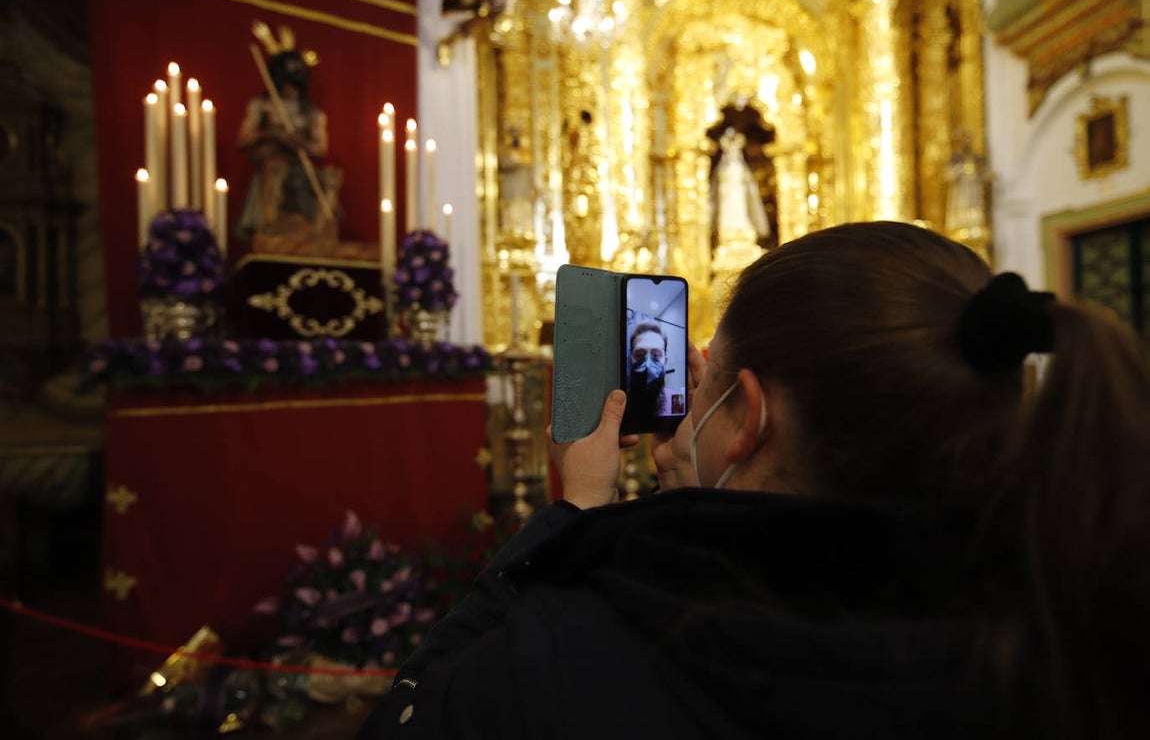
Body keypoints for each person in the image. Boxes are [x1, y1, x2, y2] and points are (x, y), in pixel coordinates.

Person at [354, 221, 1150, 739]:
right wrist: (694, 509)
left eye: (706, 384)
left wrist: (578, 511)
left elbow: (409, 717)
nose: (690, 396)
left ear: (750, 417)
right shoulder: (1069, 629)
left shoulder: (574, 652)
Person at [235, 45, 330, 239]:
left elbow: (320, 149)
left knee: (331, 177)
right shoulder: (262, 105)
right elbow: (243, 139)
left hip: (300, 169)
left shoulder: (312, 113)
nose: (290, 88)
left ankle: (320, 229)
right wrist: (271, 133)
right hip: (271, 167)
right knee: (276, 167)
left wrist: (296, 142)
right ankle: (270, 225)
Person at [623, 320, 674, 428]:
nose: (647, 365)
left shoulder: (675, 401)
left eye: (656, 355)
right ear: (630, 359)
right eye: (640, 355)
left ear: (665, 361)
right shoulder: (621, 401)